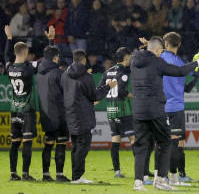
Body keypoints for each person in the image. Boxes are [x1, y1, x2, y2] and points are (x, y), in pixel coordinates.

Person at [130, 37, 199, 191]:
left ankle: (138, 182)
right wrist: (198, 61)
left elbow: (145, 51)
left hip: (138, 110)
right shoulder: (157, 62)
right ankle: (160, 180)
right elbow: (180, 71)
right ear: (158, 50)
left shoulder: (134, 60)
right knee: (165, 142)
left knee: (141, 146)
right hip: (155, 109)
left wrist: (148, 46)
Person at [61, 49, 116, 184]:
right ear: (84, 61)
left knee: (75, 147)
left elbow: (76, 92)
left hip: (70, 114)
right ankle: (77, 177)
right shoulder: (86, 77)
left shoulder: (65, 75)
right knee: (82, 147)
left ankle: (76, 176)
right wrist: (108, 86)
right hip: (83, 116)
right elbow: (95, 96)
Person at [4, 26, 47, 181]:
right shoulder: (29, 68)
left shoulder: (9, 67)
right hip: (27, 110)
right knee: (27, 142)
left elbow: (6, 56)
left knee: (15, 142)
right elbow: (46, 61)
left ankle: (13, 173)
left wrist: (9, 39)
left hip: (14, 109)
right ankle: (25, 174)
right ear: (25, 53)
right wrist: (50, 40)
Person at [160, 32, 199, 185]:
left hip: (162, 106)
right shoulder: (182, 62)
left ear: (166, 44)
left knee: (172, 143)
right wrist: (198, 74)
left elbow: (186, 88)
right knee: (176, 143)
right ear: (179, 45)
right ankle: (172, 176)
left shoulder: (160, 58)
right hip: (175, 108)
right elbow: (193, 74)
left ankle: (177, 175)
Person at [99, 47, 135, 179]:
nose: (130, 59)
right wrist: (131, 95)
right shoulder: (124, 71)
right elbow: (120, 90)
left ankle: (117, 171)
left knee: (115, 140)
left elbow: (100, 89)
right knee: (134, 138)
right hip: (123, 110)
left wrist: (96, 100)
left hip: (111, 110)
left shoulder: (107, 72)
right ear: (126, 57)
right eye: (130, 57)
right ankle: (141, 170)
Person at [36, 45, 70, 182]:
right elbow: (68, 92)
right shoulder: (58, 73)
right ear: (56, 58)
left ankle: (45, 175)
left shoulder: (39, 74)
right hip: (60, 114)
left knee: (48, 144)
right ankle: (60, 175)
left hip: (45, 114)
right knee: (61, 143)